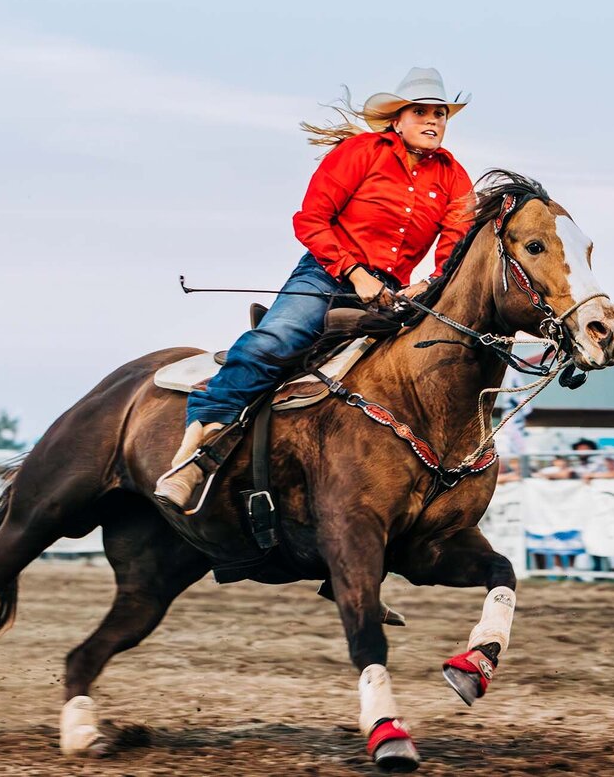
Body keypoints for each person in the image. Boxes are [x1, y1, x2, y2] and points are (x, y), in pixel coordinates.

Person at [155, 67, 474, 510]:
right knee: (278, 340)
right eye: (421, 111)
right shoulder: (362, 152)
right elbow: (311, 220)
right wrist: (356, 274)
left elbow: (456, 242)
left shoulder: (455, 176)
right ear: (397, 120)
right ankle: (194, 449)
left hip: (393, 293)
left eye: (440, 113)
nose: (433, 121)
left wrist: (430, 283)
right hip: (327, 273)